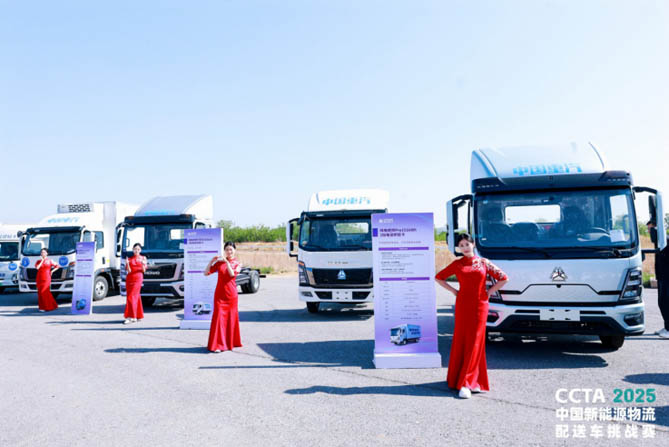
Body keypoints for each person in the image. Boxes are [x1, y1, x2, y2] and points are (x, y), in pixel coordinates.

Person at [435, 233, 508, 399]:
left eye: (467, 244)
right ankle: (461, 379)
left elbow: (504, 278)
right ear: (459, 248)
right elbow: (439, 277)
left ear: (473, 244)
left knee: (475, 342)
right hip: (463, 305)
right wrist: (454, 291)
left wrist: (489, 292)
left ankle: (466, 383)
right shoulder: (457, 263)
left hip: (480, 305)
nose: (465, 248)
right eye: (461, 245)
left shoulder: (484, 262)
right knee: (461, 340)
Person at [204, 241, 243, 352]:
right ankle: (218, 345)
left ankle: (230, 342)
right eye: (227, 250)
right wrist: (211, 262)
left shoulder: (238, 263)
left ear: (234, 250)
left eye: (231, 249)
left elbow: (232, 274)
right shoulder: (219, 263)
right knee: (219, 318)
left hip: (231, 295)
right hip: (220, 294)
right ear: (224, 251)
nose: (229, 252)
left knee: (230, 318)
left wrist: (226, 262)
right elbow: (206, 273)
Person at [647, 221, 669, 339]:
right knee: (662, 303)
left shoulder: (666, 242)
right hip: (661, 276)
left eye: (650, 230)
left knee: (666, 302)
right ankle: (666, 327)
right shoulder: (660, 243)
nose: (649, 232)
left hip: (667, 277)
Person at [124, 243, 147, 324]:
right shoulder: (130, 259)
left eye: (138, 249)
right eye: (135, 249)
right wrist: (127, 263)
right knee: (134, 296)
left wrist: (143, 264)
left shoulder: (143, 258)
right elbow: (129, 271)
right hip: (130, 279)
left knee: (131, 297)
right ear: (133, 250)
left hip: (138, 278)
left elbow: (144, 270)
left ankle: (131, 317)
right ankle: (138, 315)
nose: (136, 250)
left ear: (140, 250)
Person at [35, 248, 60, 312]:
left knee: (44, 292)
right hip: (39, 278)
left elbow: (57, 266)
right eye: (42, 252)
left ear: (47, 253)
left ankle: (47, 307)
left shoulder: (50, 260)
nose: (42, 253)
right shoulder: (38, 261)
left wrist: (52, 271)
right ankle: (46, 306)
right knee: (40, 292)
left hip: (46, 277)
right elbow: (37, 268)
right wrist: (42, 261)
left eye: (44, 252)